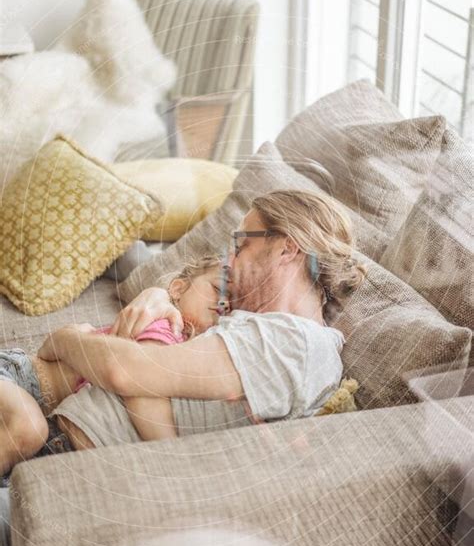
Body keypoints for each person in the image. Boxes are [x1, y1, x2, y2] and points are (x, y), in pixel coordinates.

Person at [36, 189, 366, 447]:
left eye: (241, 245)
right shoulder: (262, 324)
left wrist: (67, 338)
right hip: (59, 423)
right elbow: (179, 309)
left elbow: (125, 372)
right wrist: (159, 295)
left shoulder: (294, 344)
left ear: (287, 249)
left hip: (66, 450)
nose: (231, 261)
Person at [0, 255, 226, 480]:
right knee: (28, 429)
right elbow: (140, 389)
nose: (222, 304)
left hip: (37, 408)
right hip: (21, 377)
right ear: (178, 288)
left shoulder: (186, 356)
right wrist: (174, 454)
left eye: (232, 304)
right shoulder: (165, 326)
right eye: (217, 288)